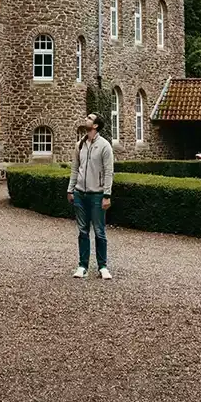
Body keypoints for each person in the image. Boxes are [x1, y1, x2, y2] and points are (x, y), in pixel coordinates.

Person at [67, 112, 114, 279]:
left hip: (97, 195)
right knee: (82, 231)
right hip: (80, 194)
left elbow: (109, 172)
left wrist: (107, 194)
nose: (86, 119)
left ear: (95, 125)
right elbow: (75, 168)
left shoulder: (105, 146)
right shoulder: (80, 144)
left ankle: (102, 266)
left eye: (89, 118)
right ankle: (82, 266)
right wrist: (70, 189)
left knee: (100, 232)